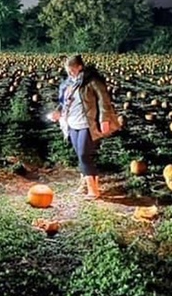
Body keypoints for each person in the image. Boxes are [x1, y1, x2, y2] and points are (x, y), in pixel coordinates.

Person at [50, 55, 120, 199]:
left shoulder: (92, 82)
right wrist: (57, 113)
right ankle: (85, 184)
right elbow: (64, 103)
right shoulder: (68, 84)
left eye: (72, 70)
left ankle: (93, 190)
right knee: (81, 156)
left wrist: (104, 120)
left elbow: (104, 101)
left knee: (83, 154)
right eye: (68, 70)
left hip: (87, 123)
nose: (70, 73)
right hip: (72, 123)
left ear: (80, 67)